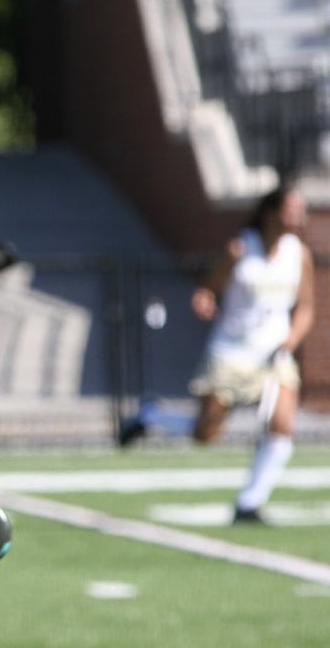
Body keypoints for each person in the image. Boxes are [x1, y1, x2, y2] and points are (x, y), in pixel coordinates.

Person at [118, 185, 315, 525]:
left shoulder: (300, 255)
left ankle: (249, 503)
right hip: (233, 352)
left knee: (281, 427)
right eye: (292, 209)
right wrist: (205, 299)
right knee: (205, 434)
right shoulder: (240, 250)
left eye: (302, 210)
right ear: (271, 213)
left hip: (275, 356)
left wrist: (291, 340)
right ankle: (151, 415)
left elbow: (306, 308)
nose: (300, 216)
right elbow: (209, 289)